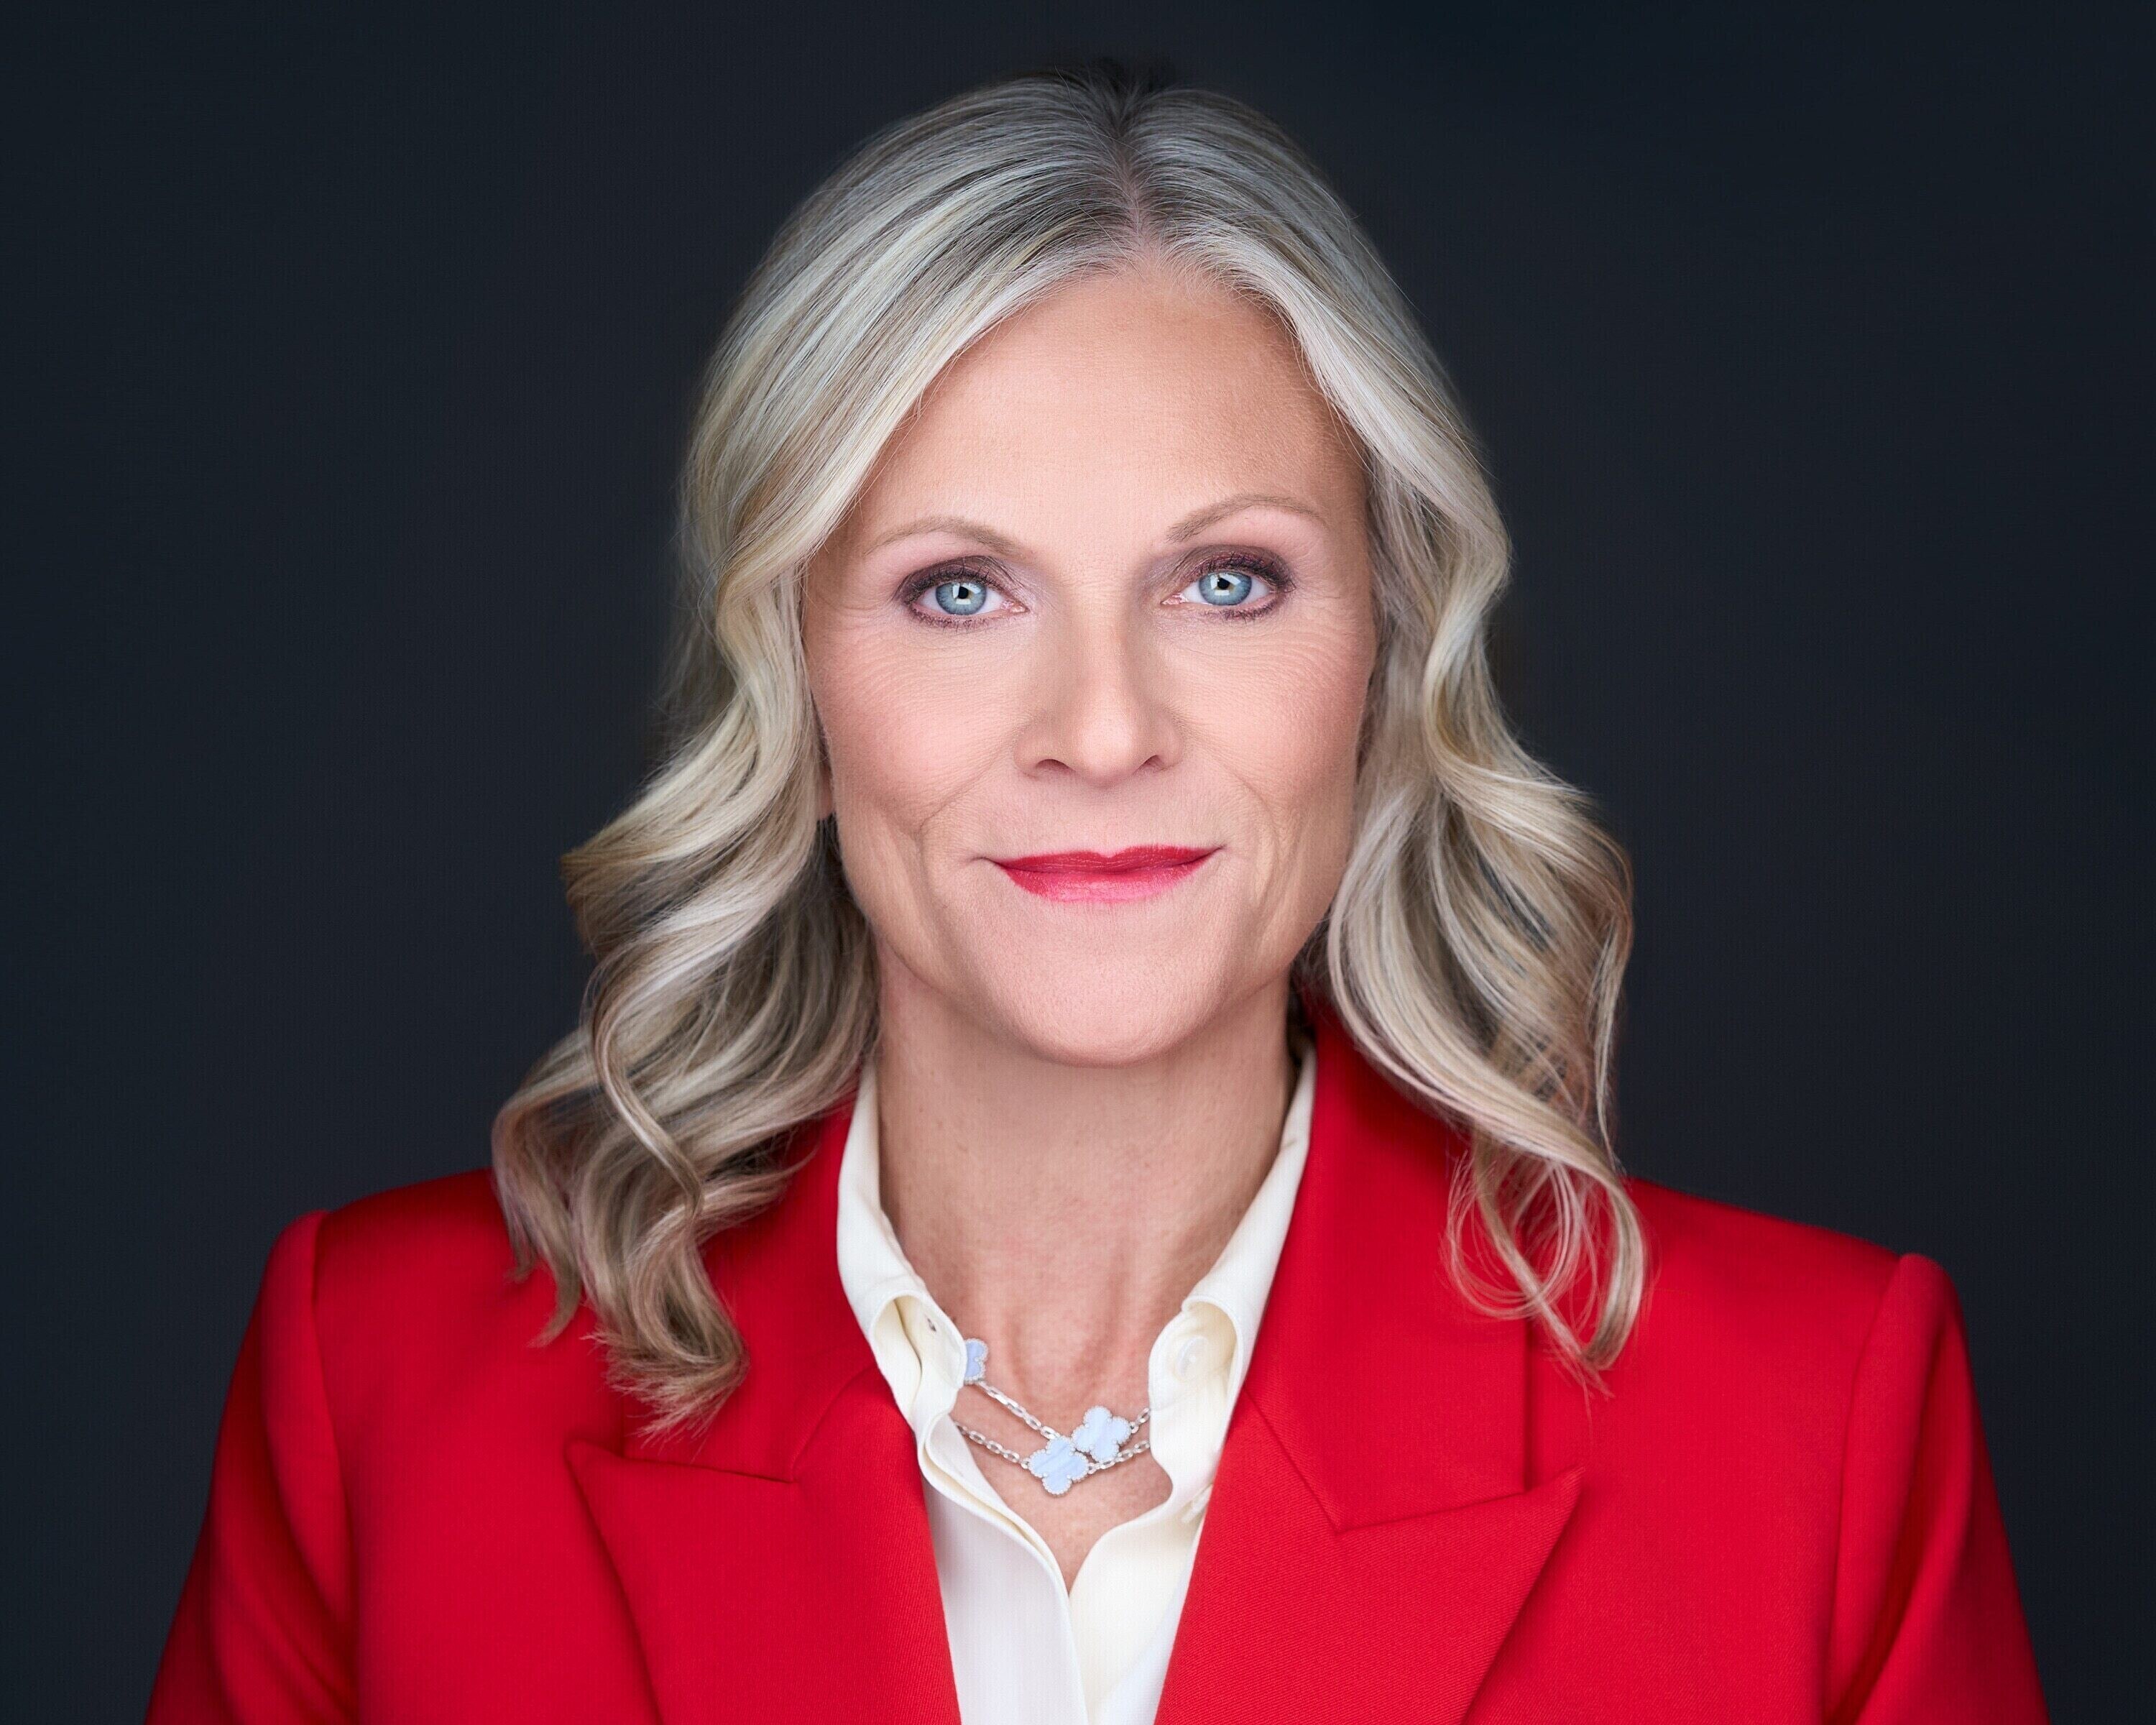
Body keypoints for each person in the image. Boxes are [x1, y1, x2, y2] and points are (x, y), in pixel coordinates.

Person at [147, 63, 2049, 1724]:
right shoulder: (381, 1388)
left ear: (1383, 653)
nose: (1105, 728)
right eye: (959, 590)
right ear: (793, 673)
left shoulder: (1816, 1423)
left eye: (1226, 582)